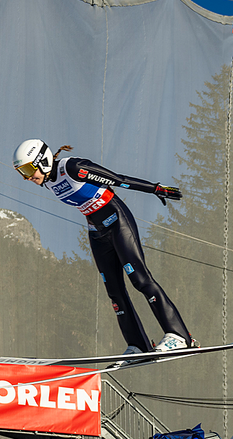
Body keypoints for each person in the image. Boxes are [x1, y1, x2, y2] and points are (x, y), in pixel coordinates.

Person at [13, 139, 194, 355]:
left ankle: (180, 336)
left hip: (117, 221)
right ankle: (138, 345)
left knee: (140, 280)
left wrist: (155, 188)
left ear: (42, 161)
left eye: (27, 169)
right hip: (96, 230)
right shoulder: (49, 181)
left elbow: (118, 180)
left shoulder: (73, 168)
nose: (26, 177)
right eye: (21, 172)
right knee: (114, 292)